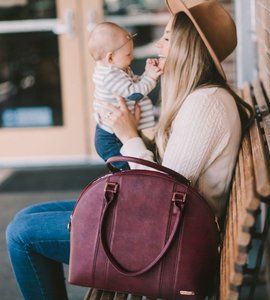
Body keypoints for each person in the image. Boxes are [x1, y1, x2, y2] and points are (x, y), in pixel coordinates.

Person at [5, 1, 254, 299]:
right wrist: (133, 132)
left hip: (166, 239)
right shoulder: (201, 97)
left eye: (166, 38)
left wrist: (128, 135)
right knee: (27, 216)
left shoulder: (206, 104)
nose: (158, 46)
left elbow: (164, 191)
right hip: (164, 224)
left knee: (21, 235)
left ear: (186, 48)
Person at [88, 22, 162, 170]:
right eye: (128, 54)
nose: (132, 58)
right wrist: (151, 78)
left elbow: (133, 86)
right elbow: (134, 94)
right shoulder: (109, 75)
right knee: (130, 172)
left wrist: (147, 73)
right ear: (110, 58)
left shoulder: (115, 70)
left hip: (119, 131)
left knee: (133, 169)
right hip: (112, 137)